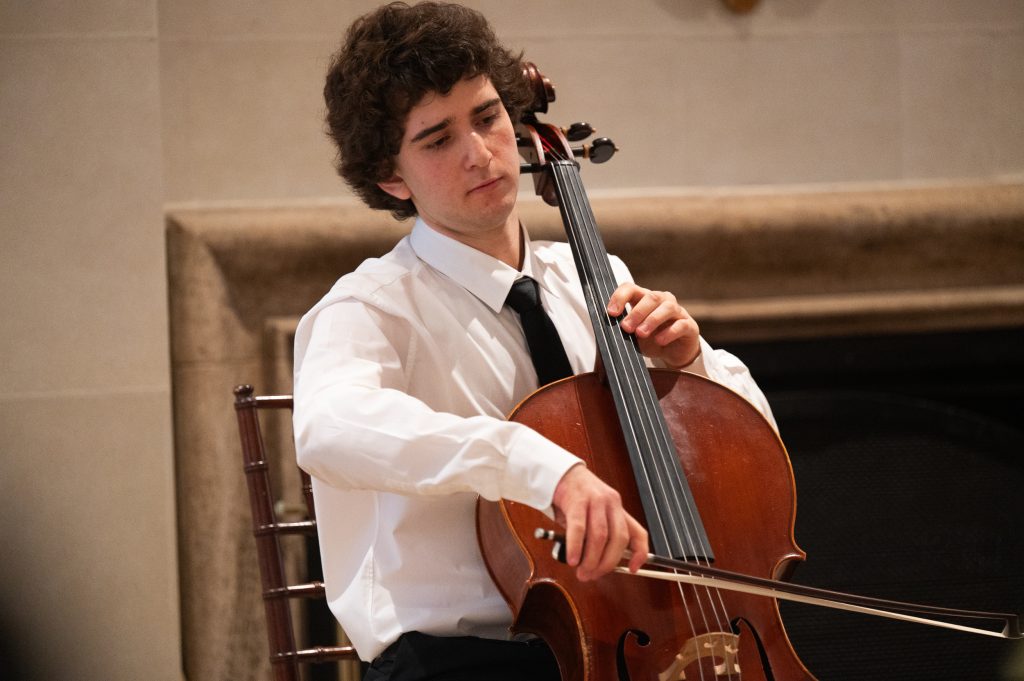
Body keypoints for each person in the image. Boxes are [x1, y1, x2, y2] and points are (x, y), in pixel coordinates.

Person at [292, 3, 776, 679]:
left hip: (627, 643)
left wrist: (691, 367)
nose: (480, 153)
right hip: (460, 663)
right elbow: (328, 430)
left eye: (488, 117)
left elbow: (754, 467)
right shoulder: (370, 308)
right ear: (391, 176)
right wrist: (529, 462)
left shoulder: (594, 278)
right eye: (437, 139)